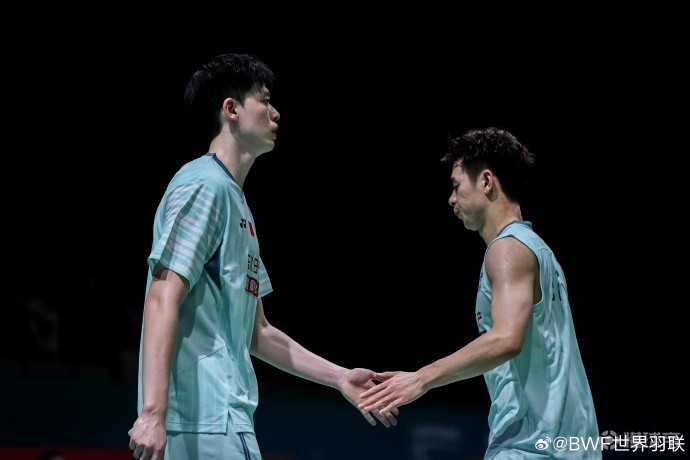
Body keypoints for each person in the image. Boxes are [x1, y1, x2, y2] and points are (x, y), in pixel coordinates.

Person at [128, 53, 397, 460]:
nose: (276, 112)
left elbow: (257, 332)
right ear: (231, 109)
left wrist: (340, 377)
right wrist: (152, 412)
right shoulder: (203, 186)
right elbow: (162, 296)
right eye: (265, 100)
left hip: (227, 418)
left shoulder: (236, 203)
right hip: (201, 421)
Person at [359, 127, 600, 459]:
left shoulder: (507, 249)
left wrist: (421, 378)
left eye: (456, 186)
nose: (451, 199)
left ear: (486, 181)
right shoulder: (540, 251)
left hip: (529, 446)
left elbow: (506, 339)